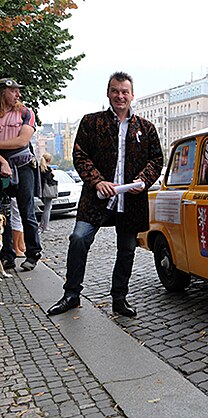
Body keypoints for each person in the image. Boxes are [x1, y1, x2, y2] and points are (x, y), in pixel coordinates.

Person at [47, 72, 163, 317]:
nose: (120, 96)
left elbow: (156, 159)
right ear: (108, 93)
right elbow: (80, 155)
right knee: (79, 239)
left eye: (124, 92)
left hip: (130, 199)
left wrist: (143, 179)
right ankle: (71, 294)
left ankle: (119, 299)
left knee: (127, 249)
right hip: (97, 198)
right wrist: (97, 181)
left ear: (132, 95)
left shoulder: (146, 127)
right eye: (115, 91)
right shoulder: (92, 122)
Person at [0, 77, 42, 271]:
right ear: (3, 92)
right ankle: (6, 255)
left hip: (23, 165)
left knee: (27, 211)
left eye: (18, 90)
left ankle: (33, 253)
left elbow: (22, 141)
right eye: (14, 91)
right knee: (3, 213)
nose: (18, 94)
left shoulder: (26, 113)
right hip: (1, 167)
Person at [39, 152, 56, 233]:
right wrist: (52, 174)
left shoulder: (40, 168)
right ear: (49, 160)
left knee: (46, 208)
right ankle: (45, 227)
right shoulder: (47, 169)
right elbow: (49, 180)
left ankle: (42, 225)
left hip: (41, 191)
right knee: (47, 209)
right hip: (47, 191)